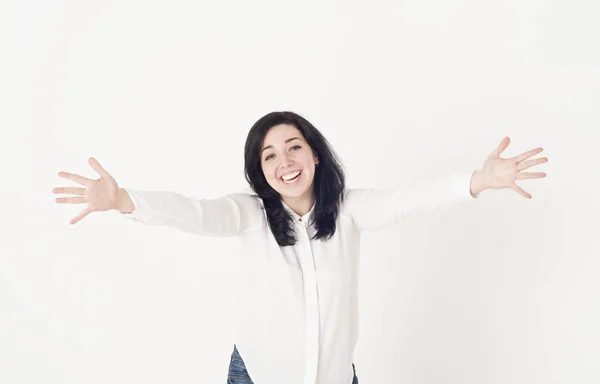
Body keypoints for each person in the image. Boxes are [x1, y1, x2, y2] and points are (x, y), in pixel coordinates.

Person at [53, 111, 548, 384]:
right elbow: (195, 213)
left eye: (293, 147)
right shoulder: (247, 215)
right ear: (260, 172)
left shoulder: (350, 209)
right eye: (269, 155)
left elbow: (403, 202)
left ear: (313, 153)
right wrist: (123, 200)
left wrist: (477, 182)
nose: (284, 161)